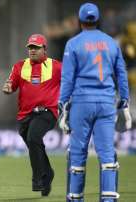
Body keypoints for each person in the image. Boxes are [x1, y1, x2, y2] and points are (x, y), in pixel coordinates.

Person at [58, 3, 131, 202]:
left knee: (77, 156)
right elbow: (121, 75)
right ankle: (108, 199)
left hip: (81, 103)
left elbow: (67, 79)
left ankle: (75, 198)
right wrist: (124, 103)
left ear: (80, 21)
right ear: (98, 20)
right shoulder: (111, 43)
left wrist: (62, 107)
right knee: (107, 156)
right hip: (107, 103)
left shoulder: (73, 44)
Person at [2, 34, 62, 197]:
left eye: (36, 47)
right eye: (30, 48)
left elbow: (70, 82)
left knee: (33, 138)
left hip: (47, 112)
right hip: (25, 115)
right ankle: (48, 173)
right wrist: (8, 88)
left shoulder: (56, 66)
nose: (32, 51)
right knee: (34, 144)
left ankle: (38, 179)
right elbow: (11, 84)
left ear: (45, 49)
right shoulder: (20, 66)